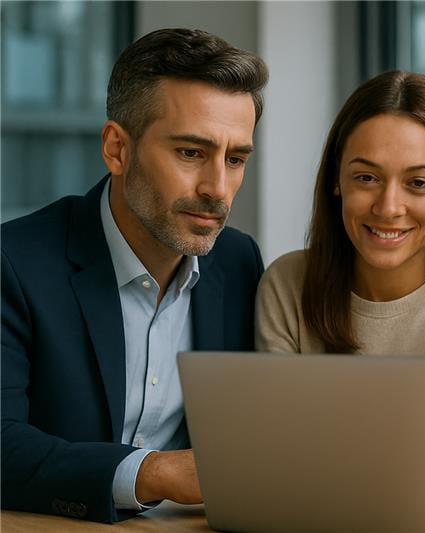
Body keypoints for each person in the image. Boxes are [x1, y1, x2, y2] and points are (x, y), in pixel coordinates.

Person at [1, 28, 268, 523]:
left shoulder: (238, 262)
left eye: (235, 160)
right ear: (117, 148)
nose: (218, 188)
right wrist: (156, 472)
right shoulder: (13, 263)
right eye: (190, 153)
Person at [255, 70, 425, 486]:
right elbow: (275, 455)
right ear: (336, 178)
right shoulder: (287, 282)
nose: (388, 207)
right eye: (366, 177)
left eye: (418, 183)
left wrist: (313, 442)